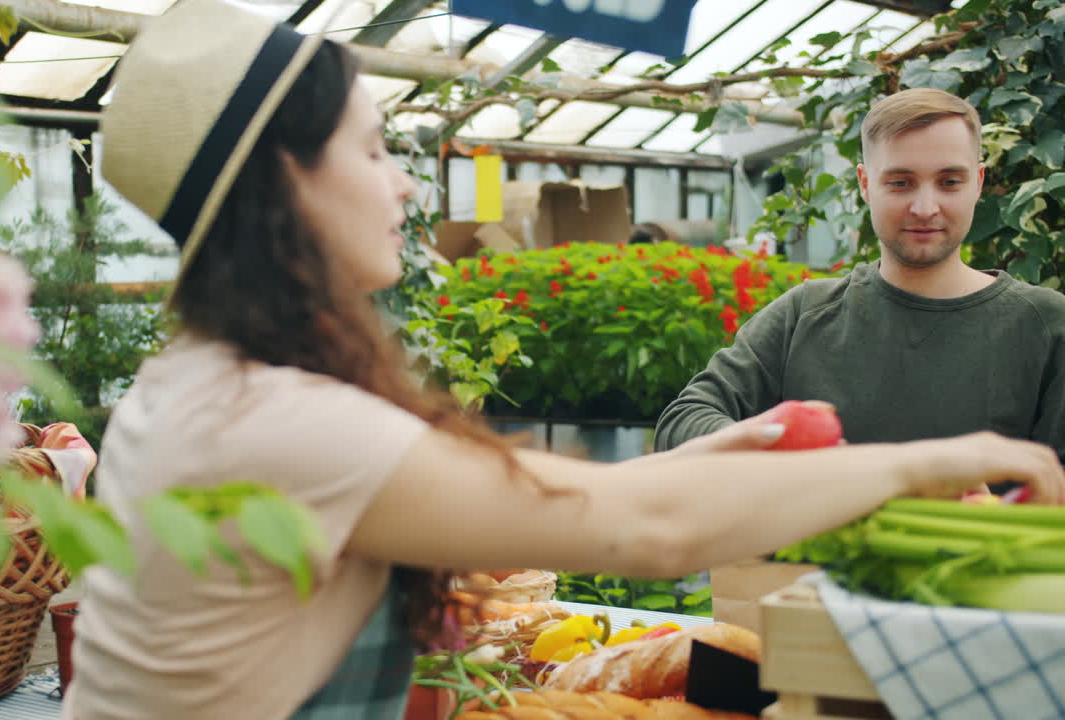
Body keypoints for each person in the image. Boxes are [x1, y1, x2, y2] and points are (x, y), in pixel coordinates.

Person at [64, 8, 1065, 720]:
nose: (407, 190)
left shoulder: (208, 384)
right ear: (289, 177)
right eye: (374, 152)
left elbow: (580, 492)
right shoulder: (275, 421)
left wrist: (719, 456)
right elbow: (636, 529)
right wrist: (929, 461)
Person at [655, 88, 1065, 466]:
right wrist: (778, 442)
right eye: (900, 182)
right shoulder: (806, 314)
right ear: (866, 186)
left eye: (949, 182)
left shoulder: (1046, 325)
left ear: (978, 184)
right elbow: (682, 422)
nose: (925, 207)